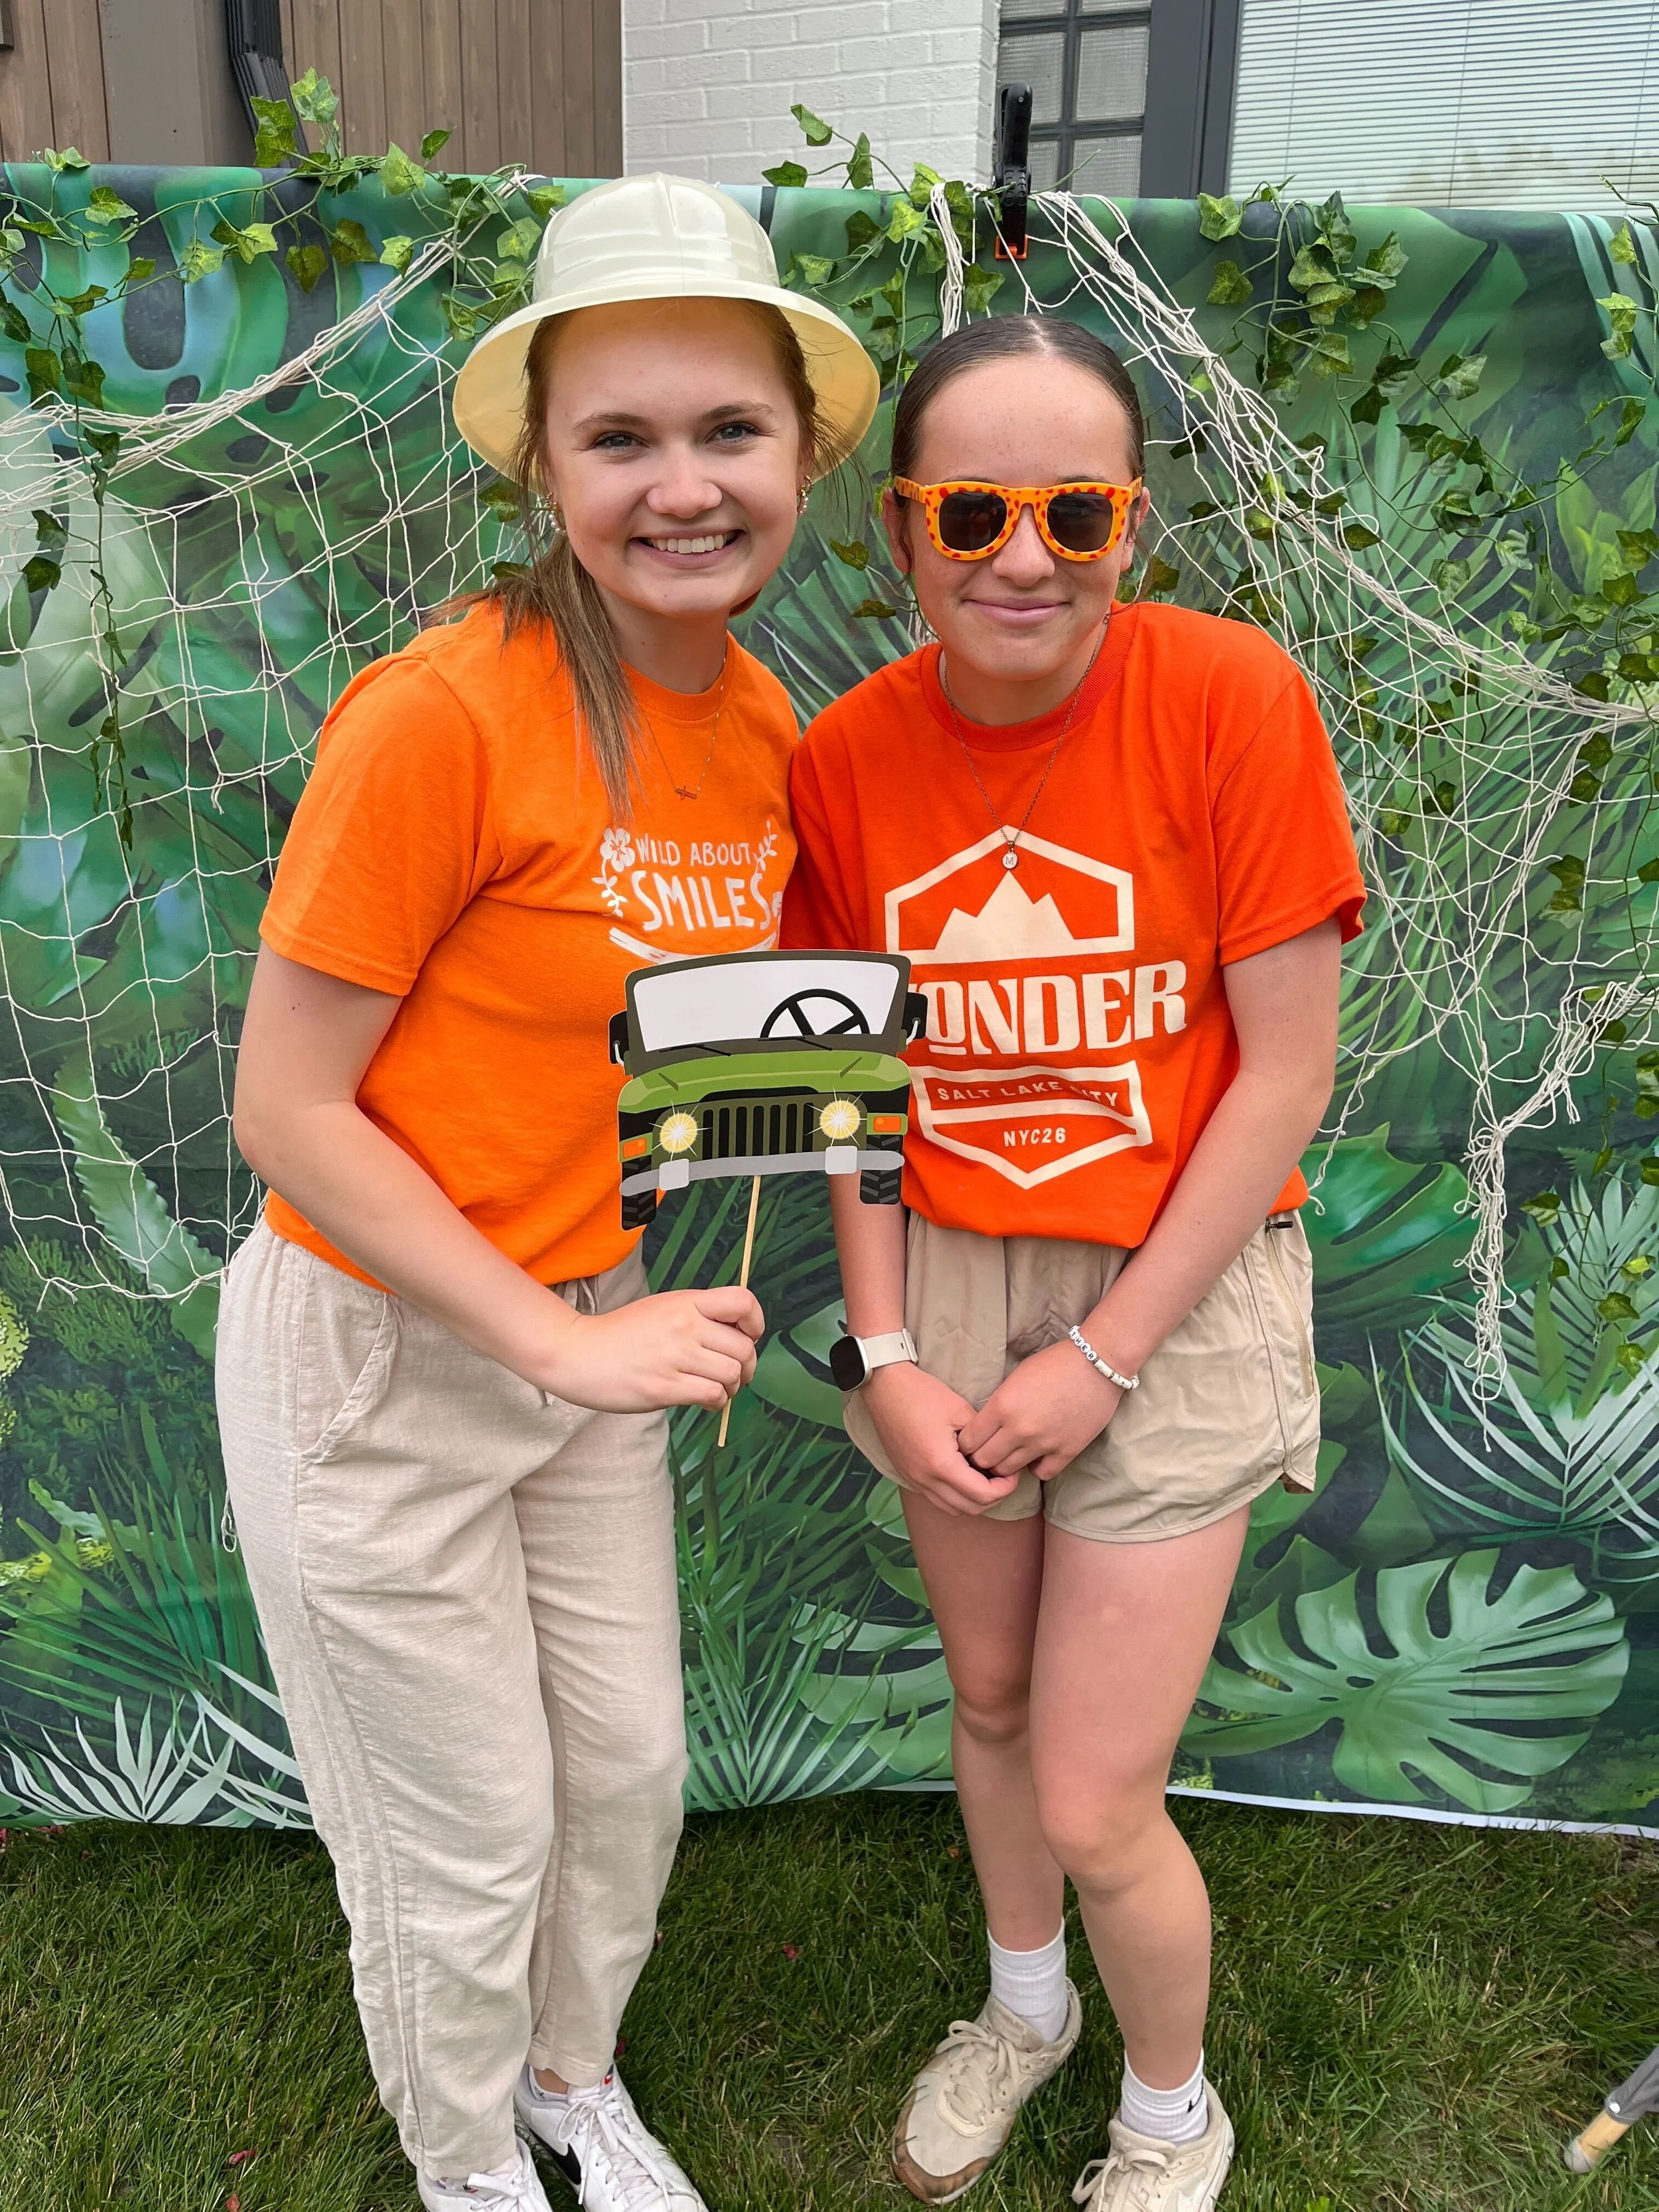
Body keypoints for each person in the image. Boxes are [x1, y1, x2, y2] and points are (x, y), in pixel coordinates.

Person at [216, 174, 875, 2212]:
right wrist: (550, 1337)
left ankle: (569, 2081)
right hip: (386, 1351)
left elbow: (704, 1041)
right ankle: (464, 2161)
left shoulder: (768, 727)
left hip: (583, 1322)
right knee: (465, 1829)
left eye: (725, 432)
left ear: (800, 456)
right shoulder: (440, 716)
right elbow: (283, 1102)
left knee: (624, 1778)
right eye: (621, 438)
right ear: (544, 467)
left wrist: (757, 1245)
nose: (681, 485)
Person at [780, 317, 1363, 2212]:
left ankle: (1172, 2106)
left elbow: (1283, 1070)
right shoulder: (849, 759)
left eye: (1073, 510)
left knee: (1101, 1789)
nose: (1020, 552)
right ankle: (1019, 2007)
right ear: (898, 531)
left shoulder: (1230, 697)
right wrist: (880, 1347)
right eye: (971, 506)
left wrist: (1099, 1356)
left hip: (1171, 1296)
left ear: (1131, 522)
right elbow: (844, 1080)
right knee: (994, 1698)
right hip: (942, 1269)